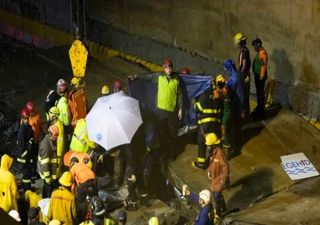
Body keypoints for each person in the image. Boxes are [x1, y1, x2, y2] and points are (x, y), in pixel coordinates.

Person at [132, 58, 183, 160]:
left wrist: (181, 108)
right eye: (167, 68)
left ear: (172, 69)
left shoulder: (177, 80)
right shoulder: (159, 77)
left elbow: (180, 95)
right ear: (164, 68)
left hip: (172, 111)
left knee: (173, 134)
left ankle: (172, 154)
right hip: (161, 111)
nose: (168, 70)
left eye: (170, 68)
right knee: (162, 133)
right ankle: (164, 154)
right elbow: (148, 76)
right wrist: (136, 77)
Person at [193, 78, 222, 169]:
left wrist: (195, 104)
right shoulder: (217, 95)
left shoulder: (205, 94)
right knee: (213, 142)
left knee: (202, 143)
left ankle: (201, 164)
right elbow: (220, 110)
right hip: (214, 123)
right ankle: (213, 161)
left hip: (204, 123)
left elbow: (198, 108)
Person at [207, 133, 229, 223]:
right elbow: (211, 163)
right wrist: (209, 171)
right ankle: (223, 208)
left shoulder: (219, 153)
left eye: (209, 145)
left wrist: (223, 180)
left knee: (216, 196)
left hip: (219, 179)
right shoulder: (212, 153)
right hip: (214, 179)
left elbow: (225, 167)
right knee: (216, 195)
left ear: (213, 145)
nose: (207, 147)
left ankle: (218, 214)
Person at [224, 59, 244, 153]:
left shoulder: (233, 78)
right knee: (237, 124)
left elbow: (228, 89)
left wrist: (225, 85)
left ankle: (234, 145)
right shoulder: (237, 75)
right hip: (239, 102)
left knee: (232, 126)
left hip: (235, 103)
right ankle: (238, 140)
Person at [37, 124, 59, 198]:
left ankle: (44, 198)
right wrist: (47, 178)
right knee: (49, 191)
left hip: (49, 170)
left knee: (46, 189)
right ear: (50, 134)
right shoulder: (45, 145)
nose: (56, 137)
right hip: (46, 173)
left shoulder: (51, 140)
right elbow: (45, 164)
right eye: (55, 135)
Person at [214, 75, 232, 158]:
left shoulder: (225, 90)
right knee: (224, 132)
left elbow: (217, 96)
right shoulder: (225, 88)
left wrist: (214, 88)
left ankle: (227, 151)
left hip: (226, 115)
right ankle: (225, 148)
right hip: (225, 113)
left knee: (224, 132)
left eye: (218, 84)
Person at [16, 108, 34, 191]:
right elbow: (22, 147)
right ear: (22, 119)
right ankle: (27, 191)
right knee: (26, 175)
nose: (27, 120)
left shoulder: (27, 128)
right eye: (25, 118)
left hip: (27, 155)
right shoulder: (22, 131)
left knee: (29, 174)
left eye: (27, 118)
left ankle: (28, 188)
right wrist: (30, 144)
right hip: (24, 157)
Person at [234, 32, 251, 118]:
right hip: (245, 74)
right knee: (245, 93)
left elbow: (244, 65)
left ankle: (243, 113)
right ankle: (247, 113)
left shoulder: (243, 52)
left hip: (243, 74)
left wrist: (240, 74)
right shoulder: (246, 50)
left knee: (242, 94)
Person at [252, 37, 268, 119]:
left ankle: (261, 112)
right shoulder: (260, 52)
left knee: (260, 94)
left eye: (254, 46)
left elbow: (263, 66)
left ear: (258, 45)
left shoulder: (262, 53)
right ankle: (259, 108)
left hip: (260, 77)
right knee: (259, 93)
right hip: (258, 76)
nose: (254, 48)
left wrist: (261, 78)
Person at [48, 106, 64, 177]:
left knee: (57, 167)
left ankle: (56, 179)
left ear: (54, 116)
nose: (49, 116)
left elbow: (60, 142)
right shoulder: (57, 123)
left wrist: (58, 155)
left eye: (51, 115)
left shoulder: (58, 126)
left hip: (57, 152)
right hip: (55, 149)